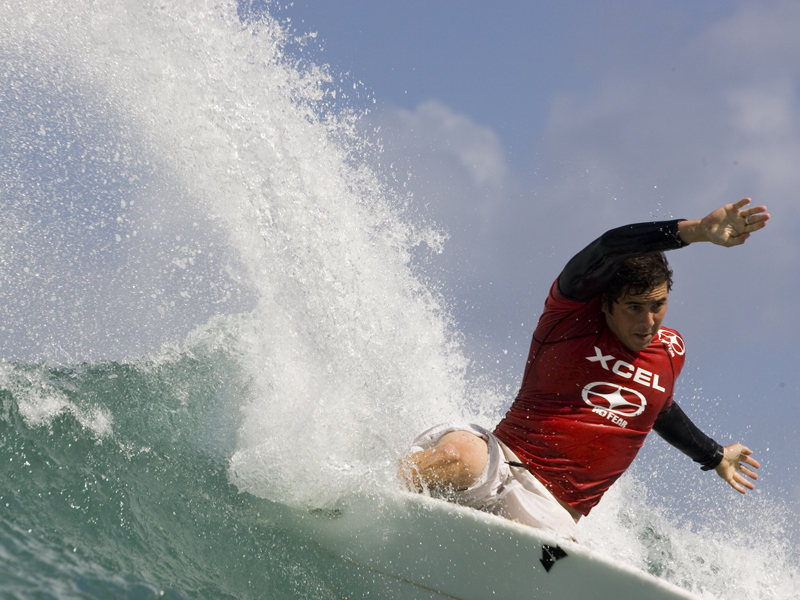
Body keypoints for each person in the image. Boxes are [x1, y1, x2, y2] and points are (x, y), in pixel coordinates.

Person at [400, 199, 768, 541]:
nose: (649, 321)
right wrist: (698, 230)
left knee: (550, 557)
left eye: (658, 305)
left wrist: (714, 455)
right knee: (459, 458)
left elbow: (658, 409)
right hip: (502, 458)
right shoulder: (570, 317)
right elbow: (608, 246)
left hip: (550, 510)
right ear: (606, 303)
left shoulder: (670, 351)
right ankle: (366, 500)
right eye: (635, 308)